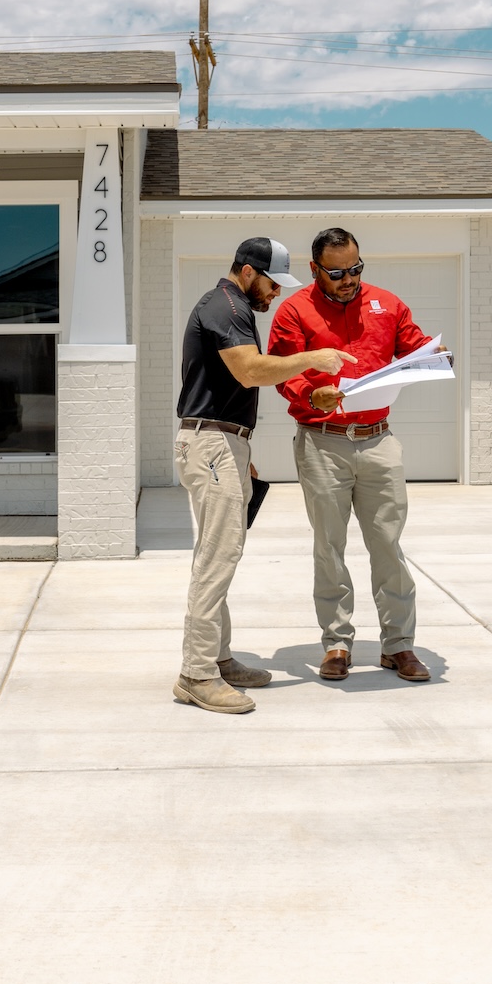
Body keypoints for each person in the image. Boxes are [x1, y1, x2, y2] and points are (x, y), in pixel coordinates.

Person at [173, 237, 357, 715]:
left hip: (222, 441)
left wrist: (240, 449)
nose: (275, 294)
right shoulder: (225, 307)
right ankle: (197, 674)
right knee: (217, 558)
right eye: (274, 284)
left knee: (218, 554)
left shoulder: (231, 307)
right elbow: (251, 372)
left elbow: (232, 382)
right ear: (250, 271)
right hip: (212, 441)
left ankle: (218, 659)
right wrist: (312, 358)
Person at [267, 227, 442, 683]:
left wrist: (433, 356)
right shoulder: (293, 310)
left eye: (356, 269)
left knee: (388, 544)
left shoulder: (388, 304)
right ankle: (337, 644)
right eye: (338, 272)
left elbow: (414, 349)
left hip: (379, 440)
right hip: (322, 441)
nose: (349, 279)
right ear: (315, 270)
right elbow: (284, 373)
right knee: (329, 547)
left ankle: (399, 645)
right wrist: (312, 394)